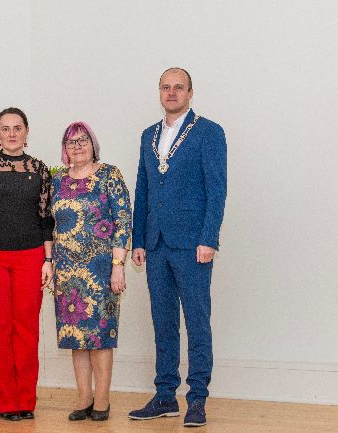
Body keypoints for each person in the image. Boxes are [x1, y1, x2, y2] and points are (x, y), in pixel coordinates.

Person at [128, 68, 227, 427]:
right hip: (155, 244)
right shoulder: (149, 135)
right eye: (166, 87)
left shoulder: (209, 132)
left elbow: (217, 189)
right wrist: (139, 240)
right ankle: (165, 396)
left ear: (190, 93)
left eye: (178, 88)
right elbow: (143, 189)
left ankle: (197, 398)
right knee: (164, 322)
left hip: (192, 244)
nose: (171, 93)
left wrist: (209, 238)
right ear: (159, 92)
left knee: (197, 322)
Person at [0, 107, 54, 421]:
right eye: (6, 128)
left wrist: (48, 260)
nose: (12, 133)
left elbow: (46, 219)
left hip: (31, 257)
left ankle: (26, 399)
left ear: (26, 132)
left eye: (18, 128)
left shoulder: (39, 169)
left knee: (27, 329)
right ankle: (6, 401)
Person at [51, 122, 132, 422]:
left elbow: (123, 221)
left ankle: (102, 400)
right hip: (66, 271)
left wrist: (118, 267)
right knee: (76, 337)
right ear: (65, 149)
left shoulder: (110, 174)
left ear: (93, 144)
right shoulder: (57, 180)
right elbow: (49, 223)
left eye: (83, 140)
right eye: (71, 142)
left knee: (100, 337)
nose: (77, 147)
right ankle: (84, 398)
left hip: (101, 270)